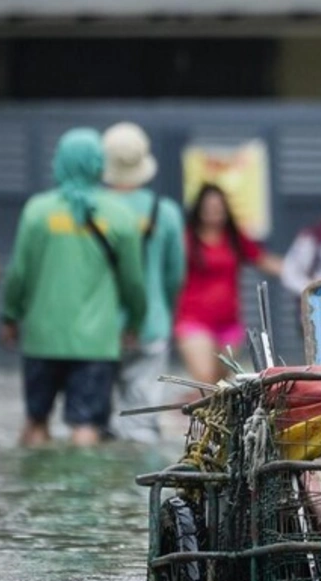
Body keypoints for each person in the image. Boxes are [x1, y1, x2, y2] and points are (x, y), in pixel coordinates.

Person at [0, 127, 147, 447]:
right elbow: (133, 282)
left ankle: (35, 489)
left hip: (42, 338)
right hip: (95, 342)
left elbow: (18, 274)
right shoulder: (121, 216)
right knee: (86, 425)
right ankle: (82, 491)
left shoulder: (37, 212)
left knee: (35, 421)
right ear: (98, 164)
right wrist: (135, 322)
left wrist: (10, 317)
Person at [101, 122, 186, 443]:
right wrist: (162, 309)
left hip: (99, 329)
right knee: (143, 422)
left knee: (94, 424)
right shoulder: (164, 212)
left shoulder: (94, 208)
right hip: (151, 325)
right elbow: (174, 275)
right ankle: (140, 492)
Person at [174, 183, 282, 386]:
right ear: (199, 209)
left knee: (221, 384)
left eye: (218, 206)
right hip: (194, 320)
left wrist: (298, 274)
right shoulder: (187, 239)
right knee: (205, 378)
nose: (214, 211)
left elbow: (263, 260)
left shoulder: (234, 238)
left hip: (229, 324)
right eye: (209, 206)